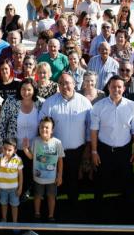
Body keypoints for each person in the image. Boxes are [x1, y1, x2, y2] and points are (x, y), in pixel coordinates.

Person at [39, 73, 92, 208]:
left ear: (74, 84)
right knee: (53, 179)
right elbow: (42, 123)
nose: (65, 86)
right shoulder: (50, 103)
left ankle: (73, 207)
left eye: (68, 83)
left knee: (73, 179)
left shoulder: (84, 102)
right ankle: (52, 208)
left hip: (76, 150)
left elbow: (89, 127)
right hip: (54, 151)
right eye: (61, 83)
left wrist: (88, 148)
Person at [91, 76, 134, 204]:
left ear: (124, 88)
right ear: (108, 87)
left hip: (124, 151)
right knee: (100, 182)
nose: (116, 89)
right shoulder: (98, 106)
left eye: (119, 87)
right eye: (113, 86)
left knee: (127, 183)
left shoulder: (131, 105)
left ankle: (126, 212)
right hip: (104, 150)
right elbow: (94, 131)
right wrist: (94, 152)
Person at [22, 116, 64, 223]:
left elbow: (60, 161)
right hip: (38, 177)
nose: (44, 129)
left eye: (47, 127)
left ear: (52, 130)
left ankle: (51, 215)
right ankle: (37, 213)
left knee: (51, 197)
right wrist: (25, 149)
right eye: (41, 127)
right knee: (37, 196)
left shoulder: (57, 143)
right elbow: (31, 157)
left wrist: (59, 176)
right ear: (39, 128)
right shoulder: (35, 141)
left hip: (52, 178)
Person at [0, 140, 24, 223]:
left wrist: (20, 188)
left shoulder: (18, 159)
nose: (6, 151)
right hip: (2, 188)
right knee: (3, 204)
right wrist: (0, 165)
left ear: (15, 150)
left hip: (14, 188)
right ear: (2, 148)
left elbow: (20, 175)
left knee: (14, 205)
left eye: (9, 150)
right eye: (5, 149)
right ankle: (4, 219)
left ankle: (15, 222)